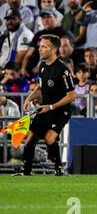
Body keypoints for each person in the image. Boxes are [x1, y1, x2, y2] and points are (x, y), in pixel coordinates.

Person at [17, 35, 76, 176]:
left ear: (54, 49)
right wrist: (29, 98)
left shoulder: (63, 70)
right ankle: (26, 173)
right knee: (29, 140)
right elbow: (40, 85)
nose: (40, 49)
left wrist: (51, 107)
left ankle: (58, 169)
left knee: (49, 139)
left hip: (60, 111)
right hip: (44, 109)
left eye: (44, 47)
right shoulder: (43, 66)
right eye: (39, 46)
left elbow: (72, 95)